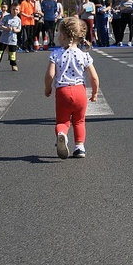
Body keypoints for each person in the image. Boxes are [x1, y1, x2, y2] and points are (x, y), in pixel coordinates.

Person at [44, 17, 99, 159]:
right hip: (79, 91)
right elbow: (93, 77)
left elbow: (50, 74)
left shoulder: (56, 54)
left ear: (62, 36)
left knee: (62, 121)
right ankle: (79, 147)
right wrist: (94, 93)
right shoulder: (84, 55)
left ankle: (62, 135)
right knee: (79, 121)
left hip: (62, 92)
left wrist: (47, 88)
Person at [0, 2, 21, 72]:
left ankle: (13, 65)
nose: (15, 11)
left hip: (13, 39)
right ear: (10, 9)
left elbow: (19, 29)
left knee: (12, 53)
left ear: (19, 10)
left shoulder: (18, 19)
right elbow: (0, 25)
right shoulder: (6, 17)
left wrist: (16, 30)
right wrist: (6, 28)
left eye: (17, 10)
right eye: (13, 9)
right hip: (4, 39)